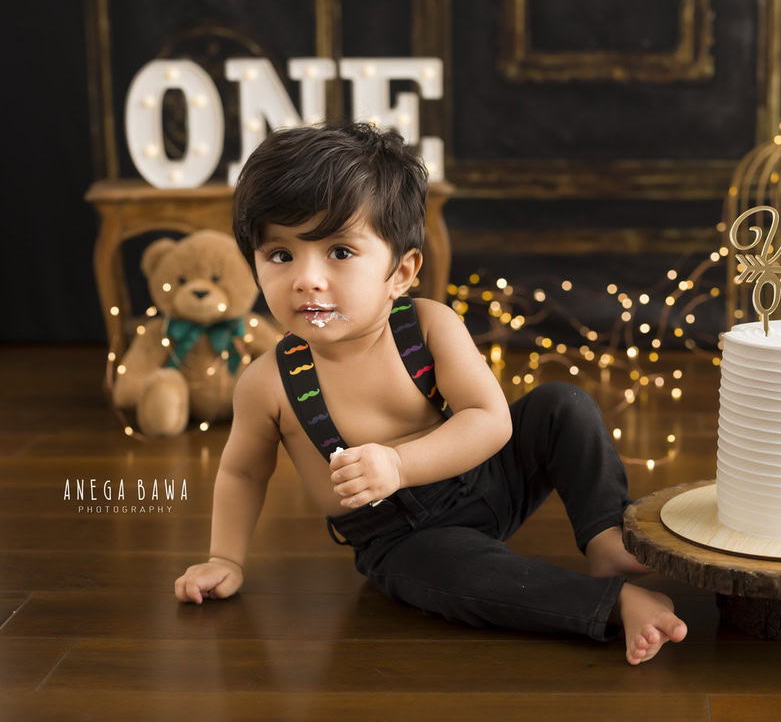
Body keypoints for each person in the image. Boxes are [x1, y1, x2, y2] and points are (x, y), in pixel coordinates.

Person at [172, 121, 687, 665]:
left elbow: (491, 420)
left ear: (401, 272)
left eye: (340, 251)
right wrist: (225, 558)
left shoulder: (426, 326)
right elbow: (242, 473)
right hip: (401, 538)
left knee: (563, 406)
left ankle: (605, 538)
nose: (307, 279)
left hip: (487, 477)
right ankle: (611, 604)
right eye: (281, 255)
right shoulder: (269, 383)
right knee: (465, 579)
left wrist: (398, 464)